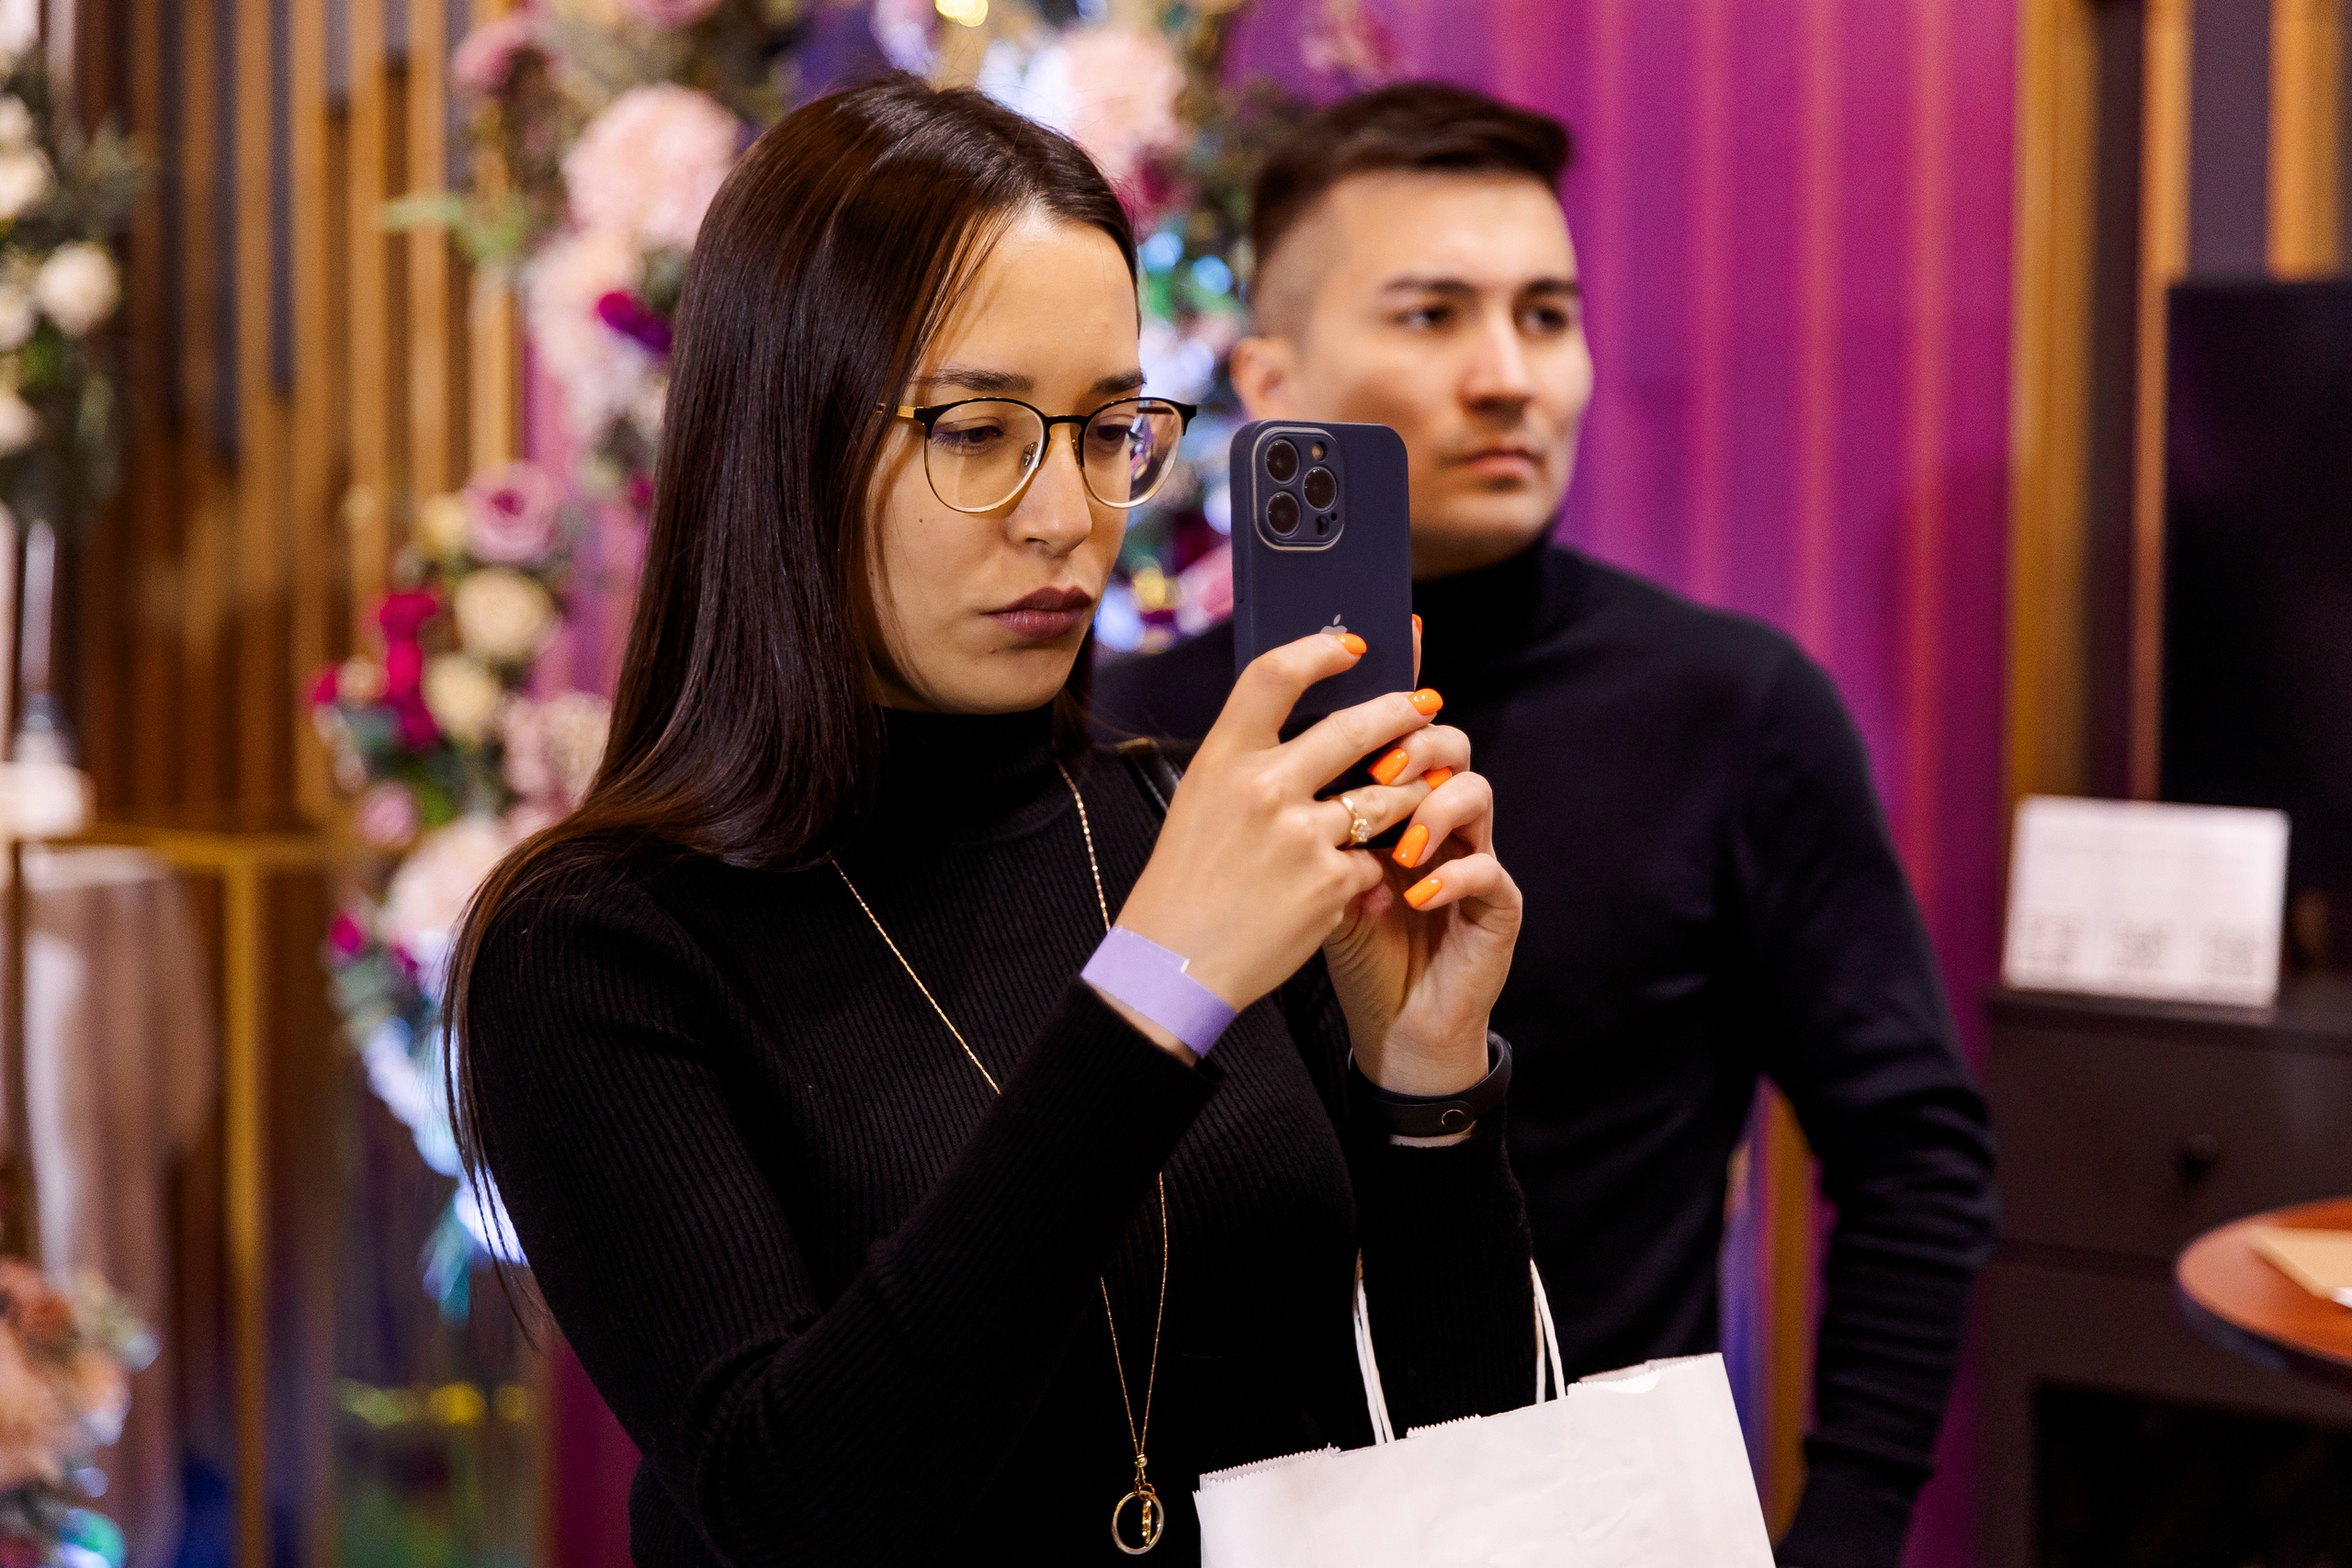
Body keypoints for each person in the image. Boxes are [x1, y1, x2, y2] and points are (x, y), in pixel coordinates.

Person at [447, 76, 1543, 1568]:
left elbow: (1472, 1466)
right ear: (792, 431)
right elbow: (796, 1506)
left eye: (1108, 429)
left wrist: (1428, 1085)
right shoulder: (599, 947)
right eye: (978, 431)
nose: (1065, 513)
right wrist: (1155, 990)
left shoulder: (1190, 821)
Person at [1093, 83, 1998, 1568]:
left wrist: (1847, 1528)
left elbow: (1915, 1157)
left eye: (1548, 314)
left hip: (1581, 1520)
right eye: (1434, 315)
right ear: (1269, 370)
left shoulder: (1736, 710)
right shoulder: (1129, 734)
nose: (1511, 376)